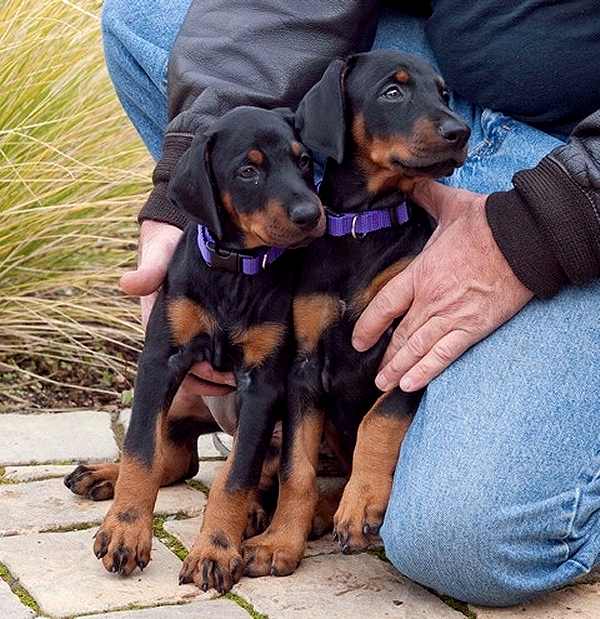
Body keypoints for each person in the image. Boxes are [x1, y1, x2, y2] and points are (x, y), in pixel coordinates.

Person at [101, 0, 600, 606]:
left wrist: (553, 218)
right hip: (425, 68)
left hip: (572, 142)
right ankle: (248, 369)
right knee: (136, 15)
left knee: (463, 542)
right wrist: (193, 199)